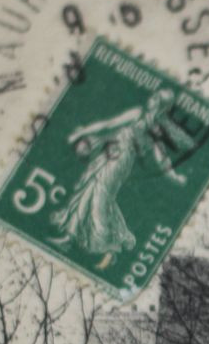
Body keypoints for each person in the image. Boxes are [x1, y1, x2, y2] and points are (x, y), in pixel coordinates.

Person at [49, 88, 188, 269]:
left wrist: (174, 176)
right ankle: (69, 236)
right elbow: (109, 124)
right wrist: (82, 132)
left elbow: (161, 157)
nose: (152, 98)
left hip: (120, 162)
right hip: (108, 155)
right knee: (87, 190)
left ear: (161, 105)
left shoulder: (155, 129)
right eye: (154, 95)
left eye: (157, 98)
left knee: (100, 197)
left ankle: (107, 244)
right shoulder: (136, 113)